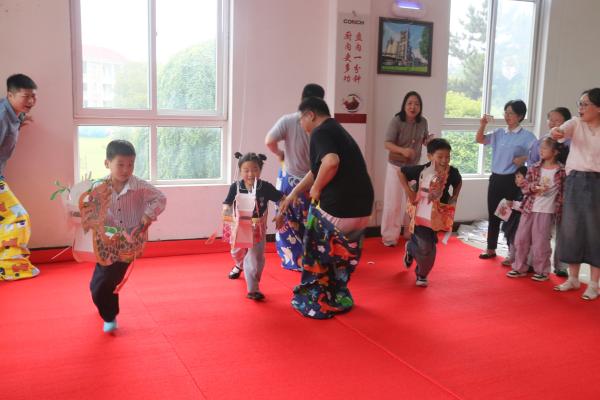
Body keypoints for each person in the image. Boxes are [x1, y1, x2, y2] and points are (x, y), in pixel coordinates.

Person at [279, 97, 373, 319]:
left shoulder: (320, 132)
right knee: (341, 255)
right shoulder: (337, 130)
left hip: (339, 207)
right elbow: (317, 170)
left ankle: (317, 300)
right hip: (362, 209)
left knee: (314, 245)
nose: (301, 125)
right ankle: (338, 295)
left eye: (301, 119)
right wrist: (293, 194)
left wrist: (317, 189)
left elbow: (331, 162)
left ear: (310, 115)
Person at [87, 140, 166, 332]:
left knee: (109, 280)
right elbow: (88, 208)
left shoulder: (139, 185)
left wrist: (148, 215)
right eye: (120, 164)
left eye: (130, 164)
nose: (126, 169)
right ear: (107, 163)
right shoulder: (98, 187)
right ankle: (101, 296)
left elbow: (160, 198)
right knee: (101, 279)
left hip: (130, 242)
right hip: (106, 241)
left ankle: (109, 315)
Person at [265, 84, 324, 271]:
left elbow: (269, 141)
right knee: (313, 220)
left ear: (302, 99)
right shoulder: (323, 124)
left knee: (287, 217)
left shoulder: (288, 120)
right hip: (314, 180)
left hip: (290, 178)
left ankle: (293, 260)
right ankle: (314, 259)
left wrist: (280, 154)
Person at [552, 88, 600, 300]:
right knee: (571, 229)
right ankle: (572, 278)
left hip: (598, 182)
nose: (580, 108)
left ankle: (594, 283)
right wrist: (557, 132)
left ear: (598, 108)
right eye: (579, 103)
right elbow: (561, 131)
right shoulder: (575, 123)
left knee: (595, 232)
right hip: (575, 181)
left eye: (585, 104)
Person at [476, 100, 536, 260]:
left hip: (513, 180)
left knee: (511, 216)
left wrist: (524, 158)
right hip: (496, 178)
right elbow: (480, 139)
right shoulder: (499, 133)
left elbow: (538, 154)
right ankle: (490, 248)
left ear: (520, 116)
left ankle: (512, 251)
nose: (507, 116)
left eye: (511, 113)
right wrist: (483, 124)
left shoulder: (527, 136)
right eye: (506, 112)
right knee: (493, 214)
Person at [398, 138, 462, 287]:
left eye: (448, 157)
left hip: (438, 214)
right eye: (440, 156)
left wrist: (454, 196)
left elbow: (458, 182)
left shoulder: (451, 172)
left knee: (428, 241)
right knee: (426, 245)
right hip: (420, 212)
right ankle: (422, 274)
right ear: (430, 156)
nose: (444, 160)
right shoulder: (421, 170)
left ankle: (411, 248)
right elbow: (401, 172)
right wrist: (409, 192)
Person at [224, 152, 283, 300]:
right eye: (246, 170)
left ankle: (253, 289)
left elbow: (282, 199)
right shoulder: (235, 186)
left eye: (255, 169)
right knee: (236, 252)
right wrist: (226, 214)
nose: (250, 174)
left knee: (255, 258)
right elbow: (227, 203)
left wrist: (281, 214)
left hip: (258, 228)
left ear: (260, 170)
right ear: (240, 170)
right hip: (240, 226)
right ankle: (239, 265)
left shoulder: (265, 187)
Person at [506, 137, 565, 281]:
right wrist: (535, 187)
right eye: (540, 148)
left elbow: (565, 192)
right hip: (529, 208)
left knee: (541, 242)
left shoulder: (562, 170)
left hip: (547, 211)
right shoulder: (534, 167)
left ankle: (542, 271)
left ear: (555, 152)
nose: (541, 150)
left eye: (545, 148)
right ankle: (519, 267)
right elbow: (525, 187)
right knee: (521, 238)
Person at [0, 74, 39, 281]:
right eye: (26, 97)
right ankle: (10, 268)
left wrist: (21, 120)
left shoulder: (12, 114)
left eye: (34, 96)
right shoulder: (2, 117)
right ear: (10, 95)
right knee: (18, 218)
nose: (31, 101)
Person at [381, 91, 432, 247]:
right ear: (404, 105)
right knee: (394, 203)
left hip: (414, 168)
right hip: (396, 167)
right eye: (409, 103)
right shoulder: (397, 121)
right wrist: (403, 151)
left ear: (420, 107)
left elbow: (424, 139)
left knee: (413, 201)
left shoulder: (423, 121)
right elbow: (387, 143)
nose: (413, 107)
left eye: (416, 104)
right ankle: (389, 237)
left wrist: (428, 140)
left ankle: (409, 232)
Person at [500, 166, 527, 267]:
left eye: (519, 177)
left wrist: (513, 204)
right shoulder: (516, 189)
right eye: (515, 177)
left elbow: (526, 206)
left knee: (519, 240)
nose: (516, 179)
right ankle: (511, 256)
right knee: (510, 236)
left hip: (522, 219)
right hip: (513, 218)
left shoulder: (528, 192)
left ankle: (519, 259)